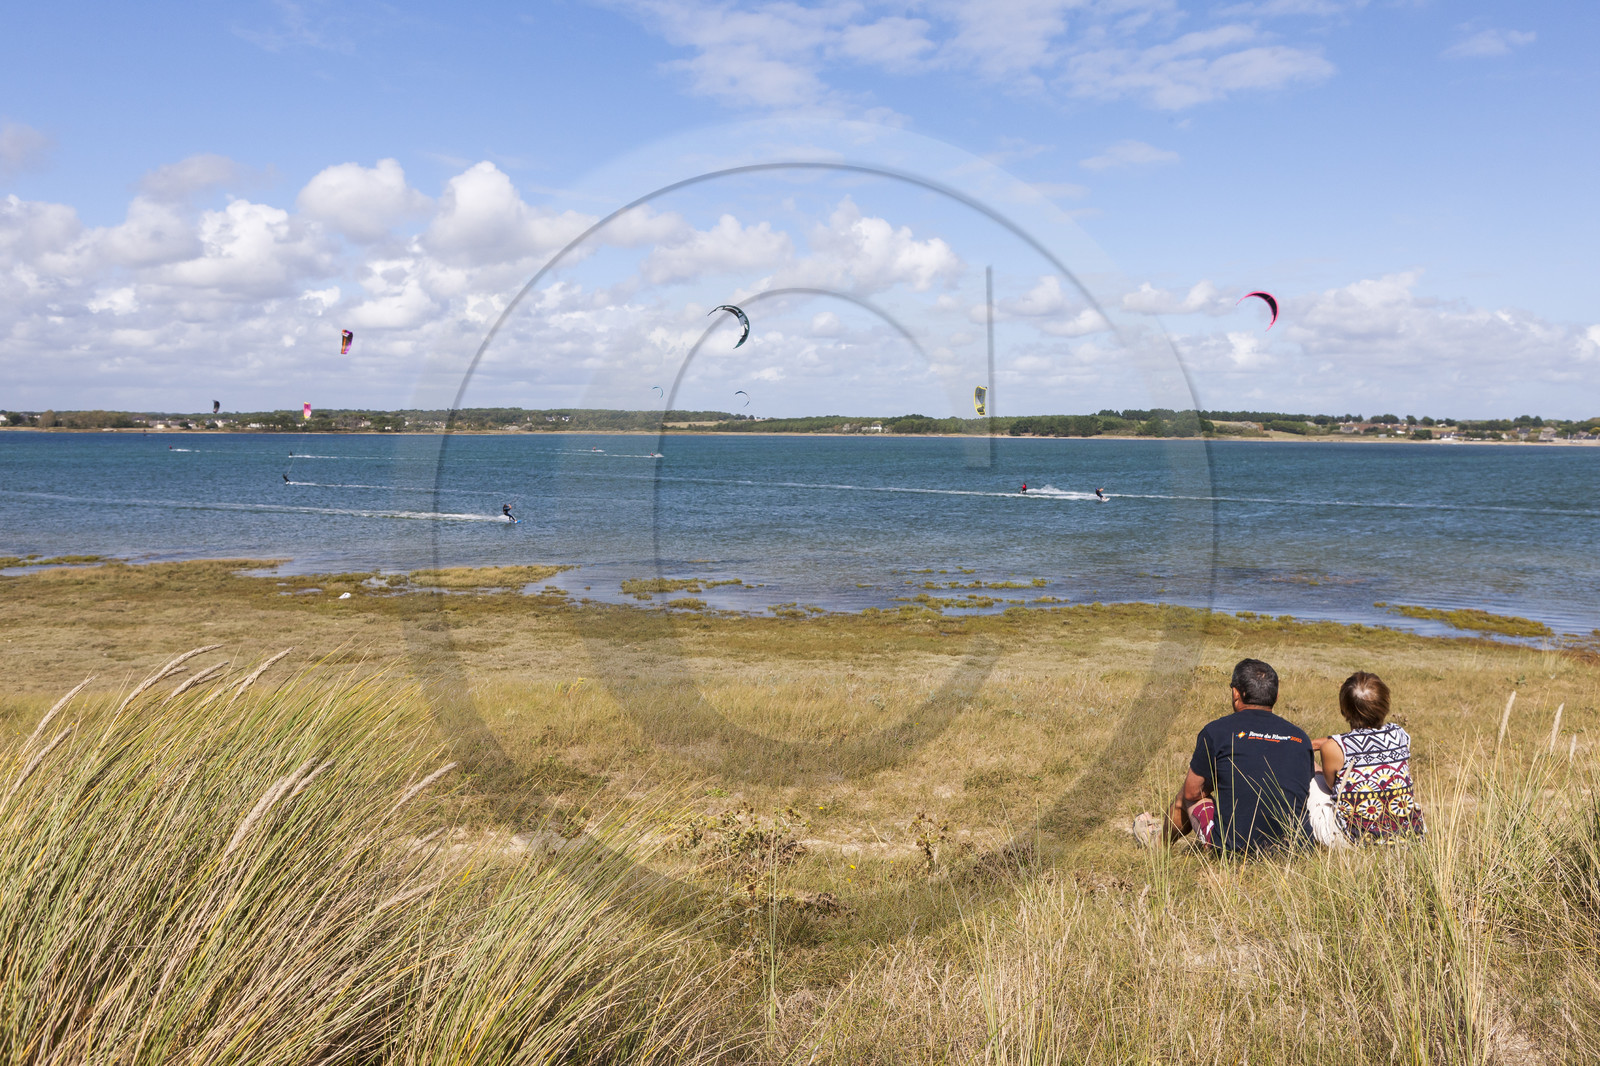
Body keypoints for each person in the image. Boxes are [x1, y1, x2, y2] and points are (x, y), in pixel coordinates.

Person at [1134, 659, 1313, 854]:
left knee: (1185, 795)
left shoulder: (1216, 731)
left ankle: (1159, 845)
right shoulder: (1300, 738)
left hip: (1233, 848)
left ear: (1236, 693)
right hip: (1296, 849)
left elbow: (1192, 793)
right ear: (1276, 697)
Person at [1307, 672, 1424, 845]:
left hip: (1354, 839)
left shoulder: (1333, 748)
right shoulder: (1400, 734)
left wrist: (1317, 745)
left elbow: (1334, 788)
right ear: (1385, 705)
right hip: (1408, 835)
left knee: (1310, 772)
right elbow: (1368, 738)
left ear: (1343, 708)